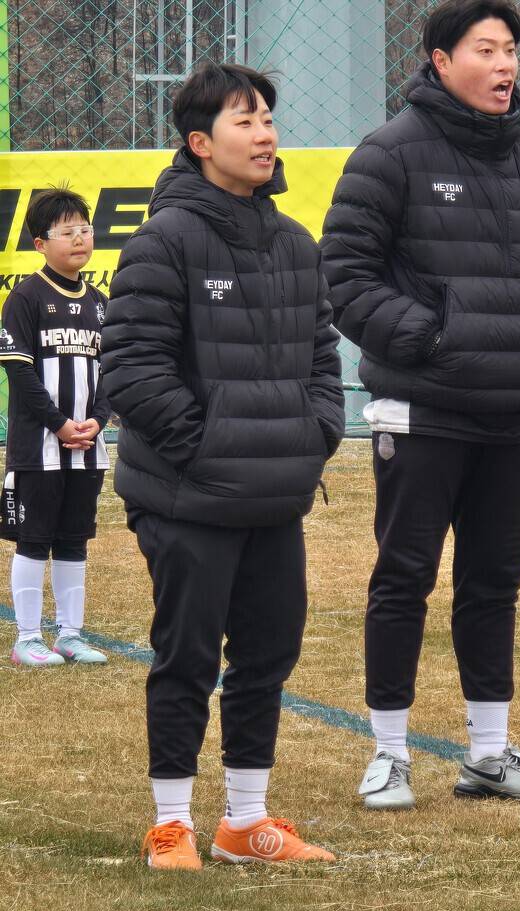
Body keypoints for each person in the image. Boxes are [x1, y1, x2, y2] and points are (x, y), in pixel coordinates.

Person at [321, 0, 520, 809]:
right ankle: (390, 755)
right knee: (404, 578)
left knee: (494, 582)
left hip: (516, 411)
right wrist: (430, 340)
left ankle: (489, 754)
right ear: (441, 61)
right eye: (486, 49)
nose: (505, 65)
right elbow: (345, 275)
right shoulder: (390, 153)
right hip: (423, 408)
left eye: (510, 50)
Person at [100, 63, 344, 870]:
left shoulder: (295, 243)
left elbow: (322, 358)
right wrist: (205, 447)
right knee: (187, 657)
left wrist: (315, 433)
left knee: (268, 656)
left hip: (275, 493)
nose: (265, 134)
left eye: (268, 118)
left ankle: (246, 822)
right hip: (187, 495)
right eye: (246, 121)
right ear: (201, 142)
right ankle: (171, 823)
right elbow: (132, 369)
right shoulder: (164, 240)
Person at [0, 186, 110, 667]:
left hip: (88, 446)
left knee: (73, 539)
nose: (80, 239)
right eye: (67, 232)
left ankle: (70, 634)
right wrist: (60, 424)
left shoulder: (102, 303)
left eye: (85, 229)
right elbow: (19, 372)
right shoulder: (25, 297)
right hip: (40, 446)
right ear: (40, 243)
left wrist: (97, 420)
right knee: (34, 538)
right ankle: (27, 638)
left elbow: (114, 370)